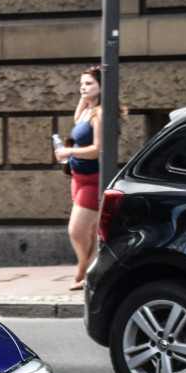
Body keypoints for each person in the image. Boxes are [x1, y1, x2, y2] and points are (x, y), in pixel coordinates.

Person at [54, 65, 111, 291]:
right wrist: (86, 96)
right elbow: (77, 117)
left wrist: (68, 152)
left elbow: (97, 149)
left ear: (101, 87)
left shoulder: (99, 114)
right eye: (81, 84)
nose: (83, 88)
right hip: (78, 178)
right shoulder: (87, 111)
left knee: (76, 231)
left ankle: (83, 270)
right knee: (90, 232)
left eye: (88, 84)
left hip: (92, 179)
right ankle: (93, 272)